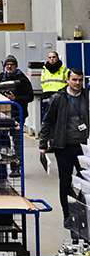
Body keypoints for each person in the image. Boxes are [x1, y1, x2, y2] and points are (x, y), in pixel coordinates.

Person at [38, 68, 89, 230]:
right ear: (67, 80)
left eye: (80, 80)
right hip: (64, 146)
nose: (78, 83)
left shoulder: (87, 97)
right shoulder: (58, 98)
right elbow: (47, 122)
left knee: (85, 182)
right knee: (65, 182)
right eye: (74, 80)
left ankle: (84, 214)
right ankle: (67, 215)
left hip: (84, 148)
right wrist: (42, 144)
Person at [0, 55, 35, 120]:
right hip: (2, 112)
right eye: (7, 64)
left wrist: (15, 98)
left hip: (18, 113)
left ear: (16, 66)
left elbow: (30, 97)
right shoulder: (1, 77)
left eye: (12, 64)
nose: (9, 66)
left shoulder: (22, 79)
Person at [40, 50, 70, 122]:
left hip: (60, 95)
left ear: (57, 58)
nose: (52, 59)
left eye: (54, 57)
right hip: (47, 95)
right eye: (49, 57)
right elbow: (43, 82)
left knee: (60, 118)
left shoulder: (65, 70)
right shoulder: (44, 70)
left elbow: (69, 82)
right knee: (47, 118)